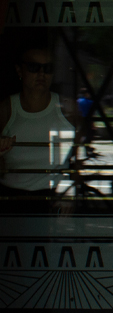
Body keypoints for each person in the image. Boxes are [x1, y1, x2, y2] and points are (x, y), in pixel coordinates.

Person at [0, 43, 78, 210]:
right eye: (34, 67)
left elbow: (81, 154)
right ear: (20, 71)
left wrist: (68, 192)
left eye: (48, 68)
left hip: (53, 197)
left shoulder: (67, 108)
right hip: (12, 198)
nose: (41, 74)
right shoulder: (6, 109)